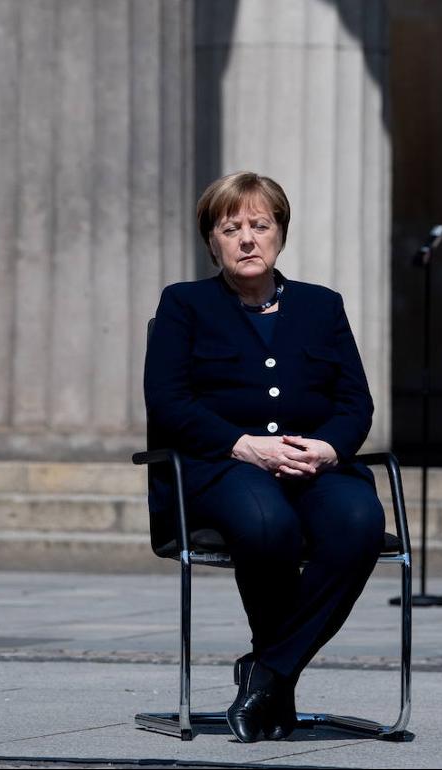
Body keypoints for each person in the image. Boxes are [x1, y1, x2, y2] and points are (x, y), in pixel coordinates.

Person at [143, 171, 385, 742]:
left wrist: (327, 447)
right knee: (264, 521)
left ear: (281, 234)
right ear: (212, 241)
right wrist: (243, 444)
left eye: (260, 225)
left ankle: (269, 670)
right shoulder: (185, 304)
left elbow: (355, 400)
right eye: (232, 228)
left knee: (360, 522)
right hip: (221, 464)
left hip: (311, 464)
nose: (247, 239)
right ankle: (276, 683)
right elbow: (168, 402)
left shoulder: (323, 307)